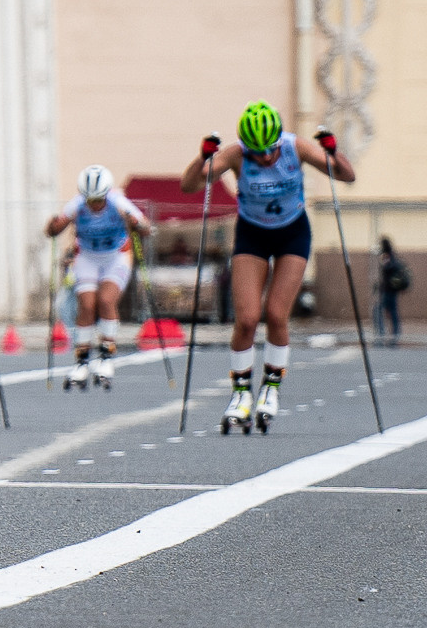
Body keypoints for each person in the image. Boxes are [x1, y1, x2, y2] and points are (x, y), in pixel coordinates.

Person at [180, 103, 355, 433]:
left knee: (276, 314)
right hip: (253, 234)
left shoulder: (294, 147)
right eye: (255, 153)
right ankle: (241, 394)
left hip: (292, 233)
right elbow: (189, 186)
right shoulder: (235, 155)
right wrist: (202, 157)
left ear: (279, 141)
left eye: (268, 152)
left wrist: (332, 150)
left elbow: (346, 175)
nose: (262, 158)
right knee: (246, 319)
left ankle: (271, 389)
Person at [43, 164, 152, 391]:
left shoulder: (117, 202)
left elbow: (146, 228)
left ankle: (105, 357)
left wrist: (136, 224)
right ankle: (82, 361)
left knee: (106, 301)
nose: (94, 205)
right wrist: (53, 226)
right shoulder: (77, 204)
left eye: (98, 200)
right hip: (87, 257)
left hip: (116, 257)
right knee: (86, 305)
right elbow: (53, 230)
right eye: (90, 200)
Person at [375, 236, 408, 344]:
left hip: (388, 290)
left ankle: (382, 335)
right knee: (392, 311)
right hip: (391, 290)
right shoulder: (392, 255)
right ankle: (395, 334)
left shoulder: (387, 256)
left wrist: (384, 264)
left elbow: (388, 269)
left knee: (378, 311)